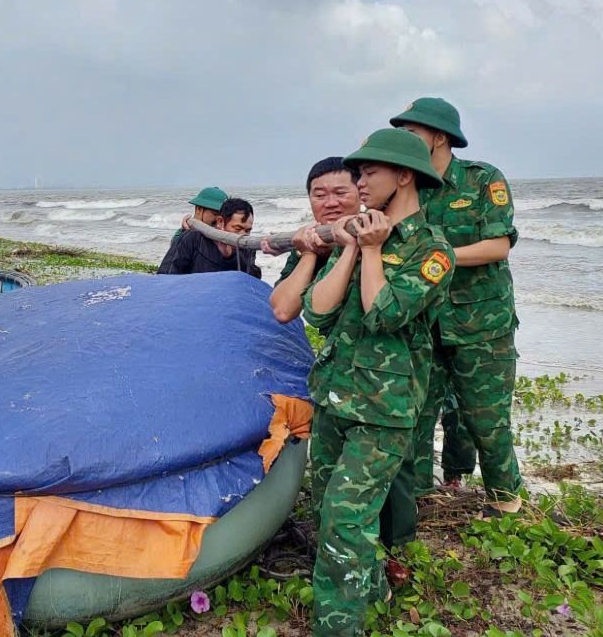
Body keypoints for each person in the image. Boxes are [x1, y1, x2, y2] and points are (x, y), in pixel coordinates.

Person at [301, 128, 453, 636]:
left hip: (382, 411)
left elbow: (384, 313)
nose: (358, 182)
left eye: (369, 172)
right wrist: (349, 249)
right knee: (329, 513)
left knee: (346, 522)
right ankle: (373, 587)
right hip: (334, 397)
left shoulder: (432, 252)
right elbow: (317, 314)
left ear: (404, 176)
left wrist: (371, 252)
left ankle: (337, 628)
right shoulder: (361, 235)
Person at [391, 97, 524, 519]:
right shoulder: (407, 184)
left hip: (480, 324)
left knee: (486, 422)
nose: (404, 141)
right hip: (423, 324)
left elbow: (497, 245)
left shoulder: (482, 180)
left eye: (412, 133)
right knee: (414, 419)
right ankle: (412, 505)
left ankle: (505, 503)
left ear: (440, 137)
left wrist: (436, 256)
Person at [267, 157, 361, 323]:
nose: (331, 203)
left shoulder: (374, 236)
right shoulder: (308, 244)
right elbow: (283, 311)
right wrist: (308, 254)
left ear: (362, 193)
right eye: (319, 195)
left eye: (341, 193)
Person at [158, 197, 262, 277]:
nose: (242, 235)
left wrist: (230, 257)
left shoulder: (247, 246)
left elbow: (251, 282)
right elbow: (166, 275)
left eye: (248, 230)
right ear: (220, 222)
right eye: (237, 228)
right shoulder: (192, 239)